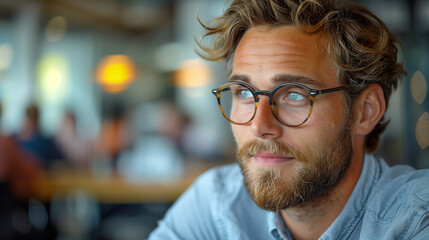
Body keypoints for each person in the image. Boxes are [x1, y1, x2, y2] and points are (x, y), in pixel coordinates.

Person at [149, 0, 429, 239]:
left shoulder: (416, 219)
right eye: (244, 93)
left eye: (294, 95)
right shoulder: (215, 205)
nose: (259, 127)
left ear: (365, 111)